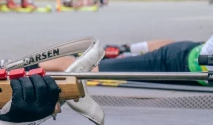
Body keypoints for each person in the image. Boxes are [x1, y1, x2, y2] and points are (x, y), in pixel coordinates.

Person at [40, 35, 212, 87]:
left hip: (186, 53)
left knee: (174, 49)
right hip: (176, 64)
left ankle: (127, 49)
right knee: (87, 70)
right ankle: (23, 68)